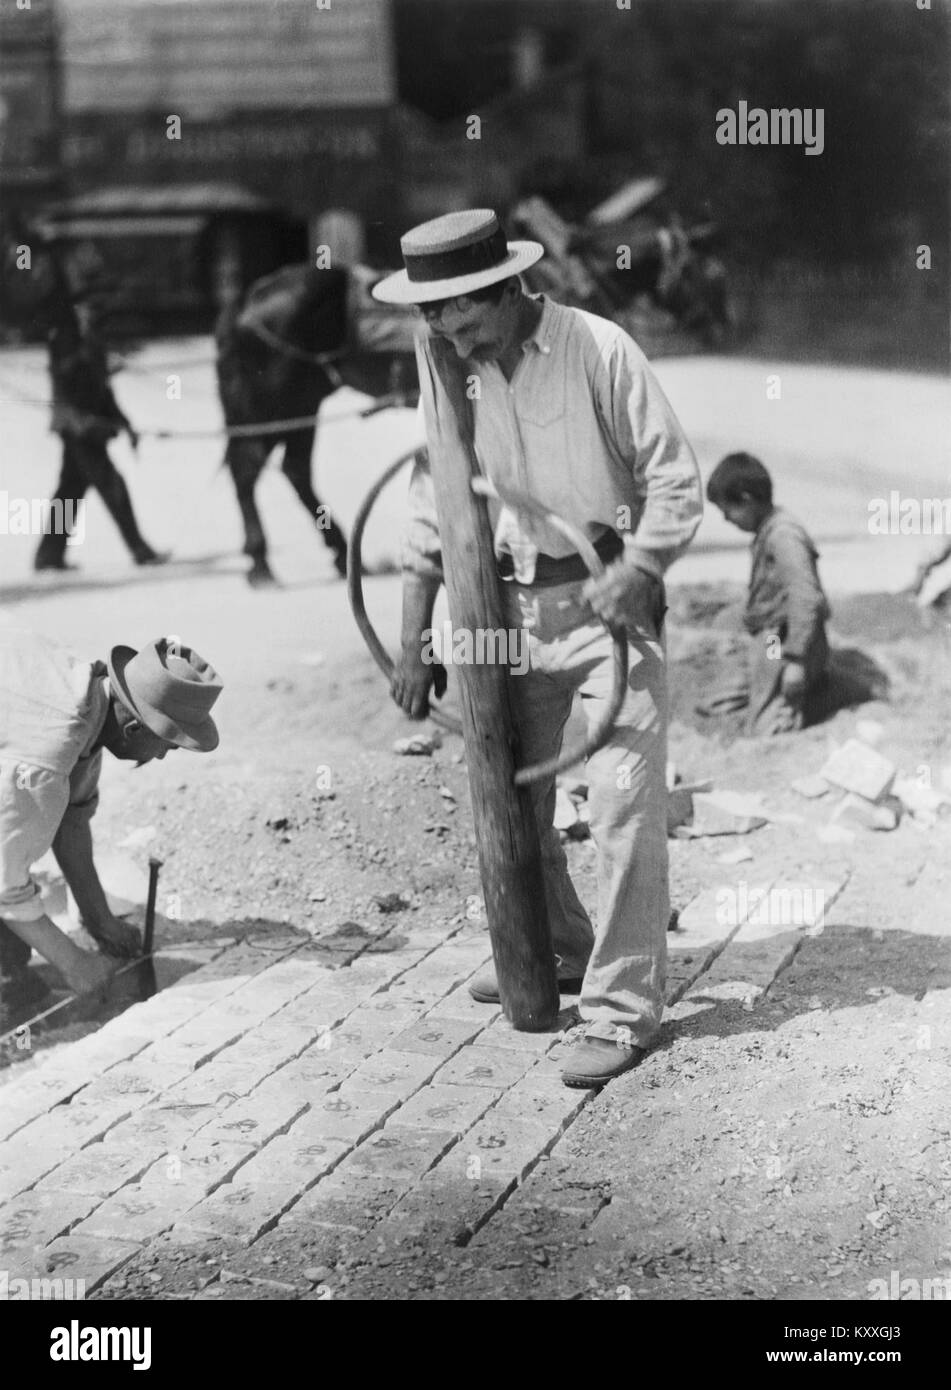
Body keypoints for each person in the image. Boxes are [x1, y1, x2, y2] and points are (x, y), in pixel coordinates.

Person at [373, 209, 703, 1087]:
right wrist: (414, 640)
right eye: (431, 313)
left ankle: (622, 1010)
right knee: (511, 796)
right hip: (504, 613)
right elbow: (428, 505)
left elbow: (674, 477)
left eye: (456, 310)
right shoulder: (448, 374)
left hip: (609, 611)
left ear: (508, 288)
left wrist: (641, 566)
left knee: (624, 802)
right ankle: (557, 948)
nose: (441, 327)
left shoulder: (598, 350)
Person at [0, 628, 222, 1004]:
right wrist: (73, 963)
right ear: (134, 727)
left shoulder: (88, 698)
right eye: (166, 744)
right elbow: (5, 885)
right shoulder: (46, 757)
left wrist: (99, 918)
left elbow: (71, 821)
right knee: (8, 954)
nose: (164, 756)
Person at [699, 452, 831, 733]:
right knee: (719, 700)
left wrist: (795, 661)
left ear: (746, 500)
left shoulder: (784, 535)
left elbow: (806, 596)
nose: (725, 520)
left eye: (727, 511)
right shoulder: (768, 529)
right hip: (770, 635)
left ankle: (812, 694)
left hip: (782, 640)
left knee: (764, 728)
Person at [34, 300, 169, 572]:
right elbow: (66, 381)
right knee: (112, 486)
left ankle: (49, 556)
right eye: (90, 315)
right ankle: (140, 551)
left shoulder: (93, 345)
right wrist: (97, 362)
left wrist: (125, 423)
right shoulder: (65, 342)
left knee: (69, 492)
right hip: (77, 428)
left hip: (86, 429)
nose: (95, 321)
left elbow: (104, 394)